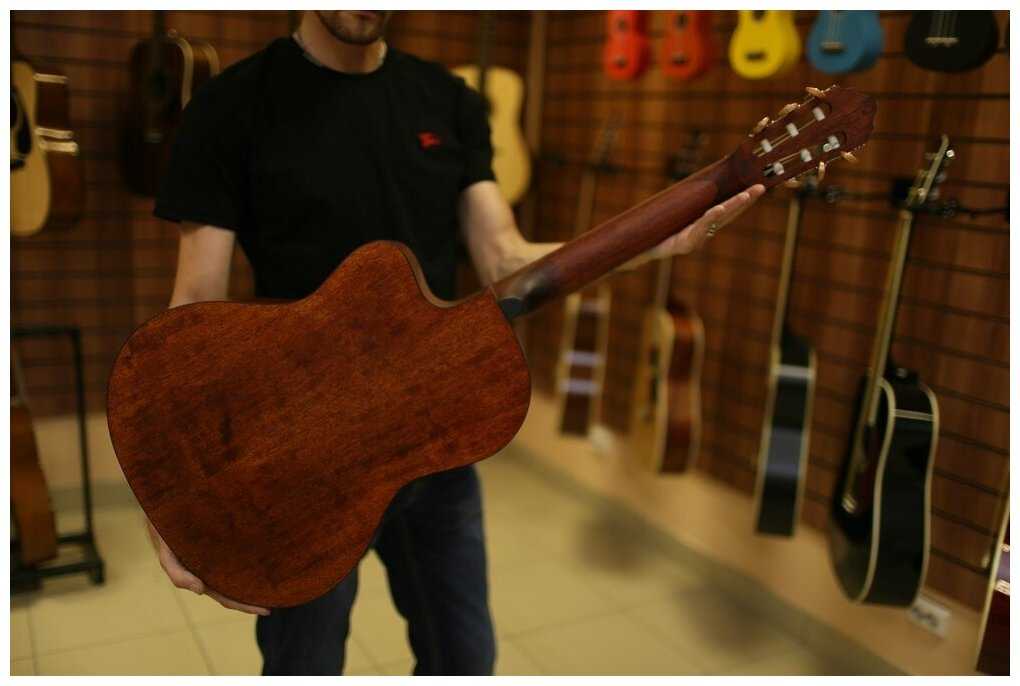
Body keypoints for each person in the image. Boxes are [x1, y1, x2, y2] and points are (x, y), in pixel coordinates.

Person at [145, 10, 765, 676]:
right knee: (305, 666)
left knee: (465, 660)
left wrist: (658, 243)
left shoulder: (448, 99)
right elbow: (194, 311)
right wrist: (168, 496)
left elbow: (504, 258)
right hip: (303, 457)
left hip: (437, 438)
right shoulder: (230, 104)